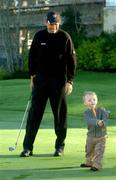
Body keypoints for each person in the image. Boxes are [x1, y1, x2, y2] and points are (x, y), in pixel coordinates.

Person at [20, 11, 77, 157]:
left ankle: (60, 147)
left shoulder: (65, 37)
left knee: (59, 114)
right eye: (51, 24)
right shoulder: (39, 36)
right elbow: (32, 57)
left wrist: (69, 80)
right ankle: (27, 147)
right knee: (34, 114)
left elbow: (71, 60)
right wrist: (32, 76)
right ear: (46, 22)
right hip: (40, 80)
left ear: (59, 23)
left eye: (56, 24)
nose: (53, 27)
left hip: (58, 81)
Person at [80, 91, 109, 171]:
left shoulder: (102, 111)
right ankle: (89, 162)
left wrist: (104, 119)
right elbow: (89, 120)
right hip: (90, 136)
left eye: (94, 99)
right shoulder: (86, 113)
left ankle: (97, 165)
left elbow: (105, 119)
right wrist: (97, 122)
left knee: (99, 151)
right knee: (89, 150)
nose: (92, 102)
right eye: (89, 100)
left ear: (96, 100)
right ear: (85, 103)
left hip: (101, 136)